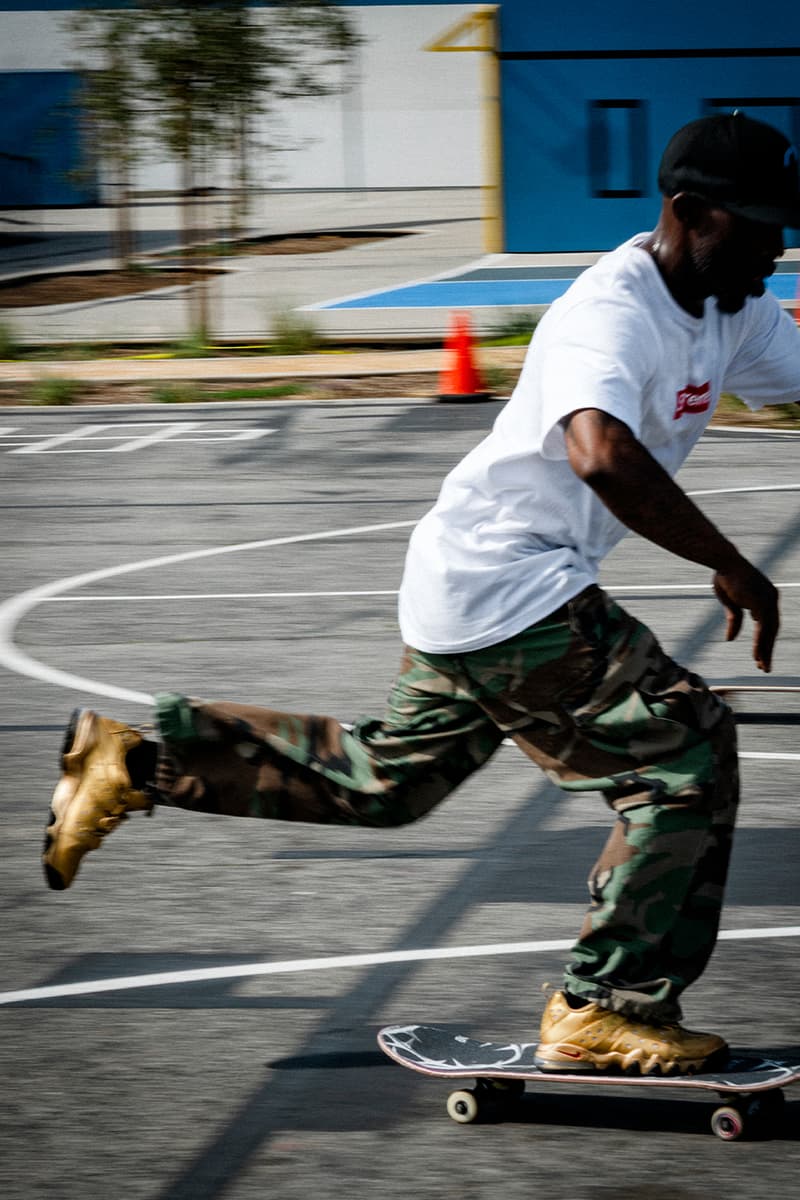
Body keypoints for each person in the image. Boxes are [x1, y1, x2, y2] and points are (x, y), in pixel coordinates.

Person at [44, 112, 800, 1076]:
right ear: (691, 212)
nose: (780, 246)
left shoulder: (736, 307)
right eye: (763, 223)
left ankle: (135, 761)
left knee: (386, 785)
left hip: (476, 586)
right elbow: (600, 453)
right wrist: (730, 561)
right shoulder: (610, 311)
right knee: (684, 753)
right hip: (510, 581)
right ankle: (603, 1004)